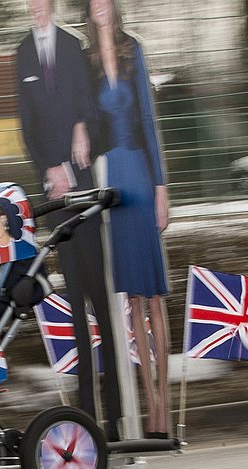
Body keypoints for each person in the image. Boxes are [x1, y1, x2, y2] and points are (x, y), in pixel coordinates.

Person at [15, 0, 122, 440]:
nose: (36, 8)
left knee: (101, 297)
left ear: (52, 6)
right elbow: (26, 125)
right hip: (55, 190)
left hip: (85, 187)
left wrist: (81, 126)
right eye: (30, 2)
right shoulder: (21, 53)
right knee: (75, 298)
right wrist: (49, 168)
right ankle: (87, 414)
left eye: (42, 2)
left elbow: (93, 114)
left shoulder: (74, 47)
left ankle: (115, 414)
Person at [85, 0, 171, 438]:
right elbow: (84, 118)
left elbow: (150, 121)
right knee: (132, 298)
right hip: (111, 178)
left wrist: (161, 187)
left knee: (154, 295)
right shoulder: (87, 60)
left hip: (139, 169)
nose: (100, 5)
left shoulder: (132, 49)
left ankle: (165, 413)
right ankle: (149, 410)